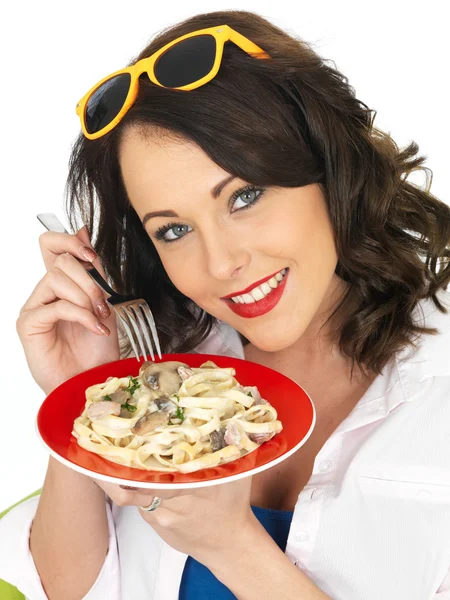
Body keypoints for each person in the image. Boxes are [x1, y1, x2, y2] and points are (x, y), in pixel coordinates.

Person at [1, 8, 450, 600]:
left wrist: (231, 547)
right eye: (173, 230)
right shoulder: (172, 370)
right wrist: (87, 395)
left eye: (245, 195)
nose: (220, 265)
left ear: (329, 168)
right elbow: (69, 589)